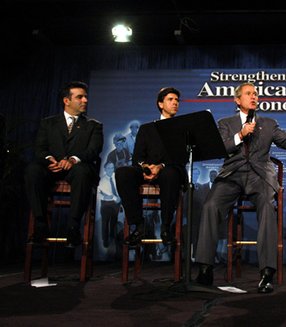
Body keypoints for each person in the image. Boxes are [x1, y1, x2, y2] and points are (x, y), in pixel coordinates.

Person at [195, 82, 286, 293]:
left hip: (260, 176)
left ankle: (266, 273)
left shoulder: (269, 123)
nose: (253, 96)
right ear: (237, 100)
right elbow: (220, 148)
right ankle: (205, 268)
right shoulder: (225, 123)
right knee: (210, 205)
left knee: (267, 208)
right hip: (231, 175)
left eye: (255, 93)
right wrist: (241, 135)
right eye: (248, 93)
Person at [24, 81, 103, 247]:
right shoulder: (48, 123)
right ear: (66, 101)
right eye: (80, 97)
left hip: (76, 169)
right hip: (51, 168)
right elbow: (40, 149)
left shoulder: (93, 126)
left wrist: (73, 160)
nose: (85, 101)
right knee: (33, 170)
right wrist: (48, 160)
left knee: (82, 172)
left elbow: (93, 151)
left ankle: (73, 226)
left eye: (86, 97)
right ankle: (40, 223)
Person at [115, 87, 187, 247]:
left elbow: (182, 158)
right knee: (122, 173)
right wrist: (146, 167)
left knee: (170, 174)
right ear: (160, 104)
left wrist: (160, 166)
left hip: (170, 169)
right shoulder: (147, 128)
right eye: (171, 99)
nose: (175, 103)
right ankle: (138, 226)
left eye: (177, 100)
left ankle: (166, 227)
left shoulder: (182, 128)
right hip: (146, 169)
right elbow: (138, 157)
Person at [98, 161, 121, 249]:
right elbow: (99, 193)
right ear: (105, 169)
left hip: (116, 203)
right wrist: (104, 197)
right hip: (106, 204)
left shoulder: (116, 176)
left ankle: (112, 236)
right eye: (108, 168)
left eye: (112, 168)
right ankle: (105, 240)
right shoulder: (102, 180)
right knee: (105, 221)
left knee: (114, 221)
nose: (110, 170)